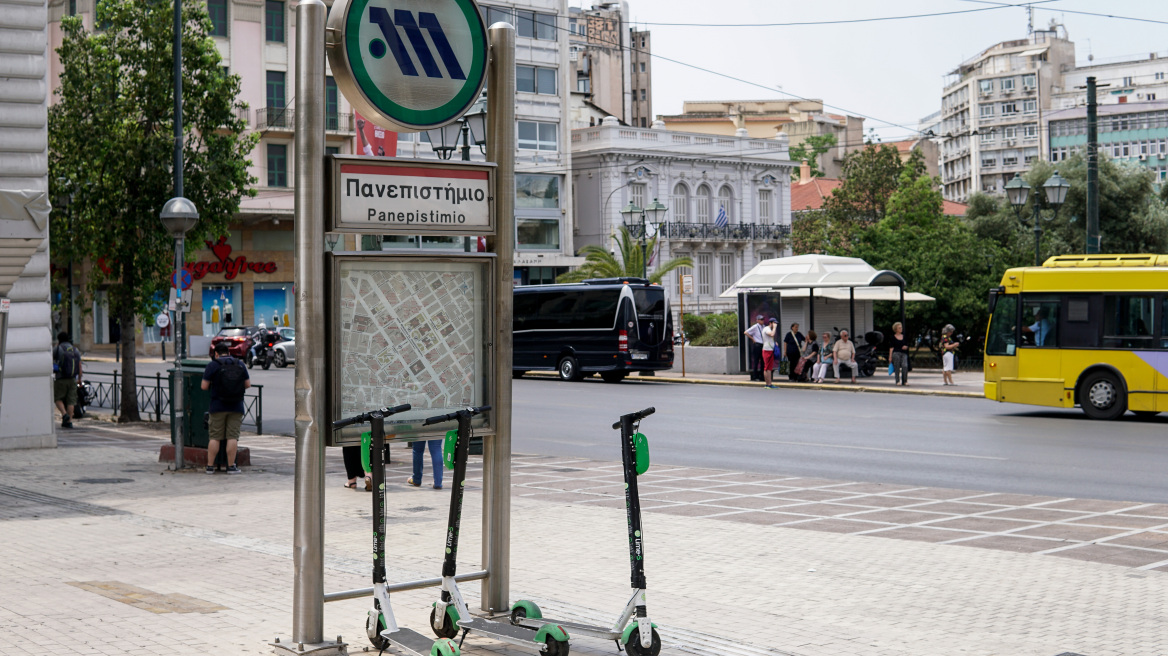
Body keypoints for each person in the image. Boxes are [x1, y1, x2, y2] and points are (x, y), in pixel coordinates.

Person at [201, 342, 250, 474]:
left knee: (215, 437)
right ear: (228, 352)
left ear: (216, 354)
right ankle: (231, 466)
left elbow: (204, 386)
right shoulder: (239, 364)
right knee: (232, 437)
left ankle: (210, 467)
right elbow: (248, 384)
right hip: (236, 406)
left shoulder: (213, 365)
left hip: (217, 406)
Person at [52, 331, 82, 428]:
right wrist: (79, 378)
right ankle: (68, 422)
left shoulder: (58, 349)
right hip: (72, 378)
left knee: (57, 398)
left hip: (60, 378)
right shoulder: (75, 350)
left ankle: (64, 414)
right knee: (71, 401)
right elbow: (79, 365)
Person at [743, 315, 766, 381]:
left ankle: (762, 376)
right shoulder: (755, 327)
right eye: (761, 319)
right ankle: (755, 376)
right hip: (757, 345)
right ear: (757, 320)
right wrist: (753, 339)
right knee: (756, 361)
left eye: (763, 319)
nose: (762, 321)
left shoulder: (764, 327)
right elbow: (746, 332)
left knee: (763, 361)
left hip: (763, 345)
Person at [889, 322, 910, 386]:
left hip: (904, 353)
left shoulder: (904, 336)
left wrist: (906, 347)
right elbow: (891, 347)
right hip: (896, 353)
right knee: (897, 367)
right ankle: (897, 381)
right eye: (899, 328)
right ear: (896, 329)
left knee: (905, 366)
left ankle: (905, 381)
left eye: (901, 327)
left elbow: (907, 345)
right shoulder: (893, 337)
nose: (901, 329)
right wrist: (890, 357)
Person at [761, 318, 778, 388]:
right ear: (770, 323)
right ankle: (767, 384)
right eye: (774, 323)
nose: (775, 325)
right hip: (767, 350)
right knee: (767, 367)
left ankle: (770, 383)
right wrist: (774, 327)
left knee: (769, 368)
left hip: (770, 350)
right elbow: (772, 334)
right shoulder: (767, 329)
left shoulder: (769, 329)